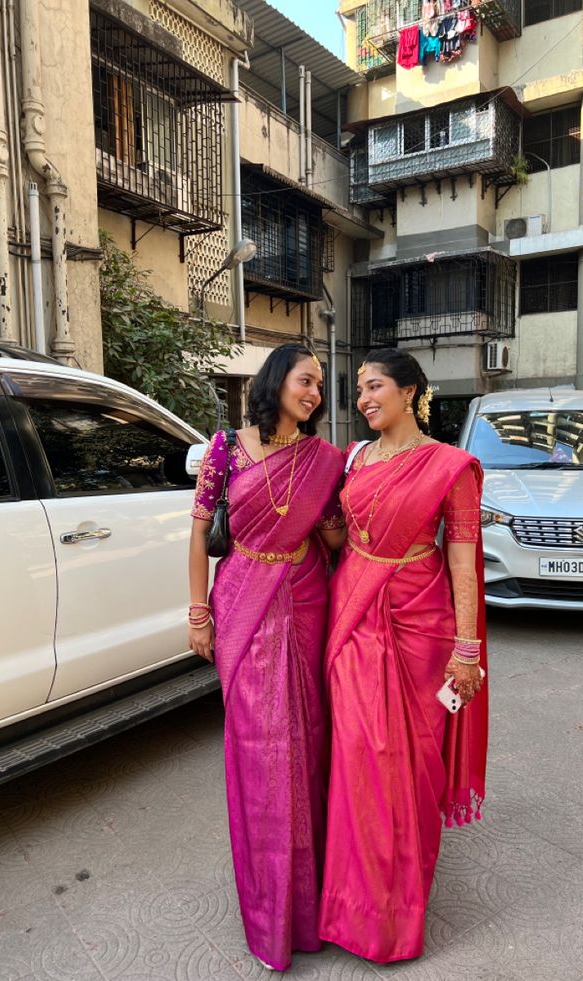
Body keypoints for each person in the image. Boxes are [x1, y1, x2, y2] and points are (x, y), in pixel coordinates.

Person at [318, 348, 488, 964]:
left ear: (412, 391)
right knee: (361, 754)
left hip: (422, 623)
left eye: (375, 386)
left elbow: (464, 560)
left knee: (410, 764)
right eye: (358, 389)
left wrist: (466, 651)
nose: (363, 398)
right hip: (353, 612)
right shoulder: (356, 459)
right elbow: (339, 535)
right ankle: (352, 908)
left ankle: (397, 909)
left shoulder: (452, 466)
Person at [188, 344, 345, 972]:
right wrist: (198, 612)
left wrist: (347, 508)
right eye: (306, 380)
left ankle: (309, 905)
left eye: (320, 386)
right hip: (242, 599)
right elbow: (201, 532)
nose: (314, 393)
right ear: (276, 379)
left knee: (307, 741)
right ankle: (268, 910)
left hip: (306, 597)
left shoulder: (325, 459)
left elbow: (334, 535)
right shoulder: (226, 447)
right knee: (258, 750)